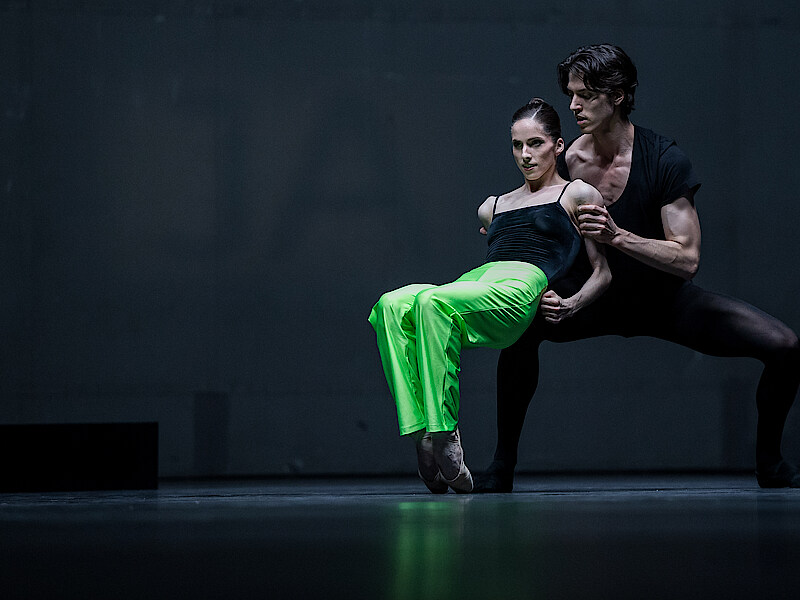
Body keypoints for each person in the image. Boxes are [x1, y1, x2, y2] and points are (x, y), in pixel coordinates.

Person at [476, 44, 800, 493]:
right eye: (571, 94)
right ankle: (501, 466)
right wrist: (508, 234)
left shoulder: (664, 160)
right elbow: (529, 215)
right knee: (521, 328)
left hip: (659, 301)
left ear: (620, 95)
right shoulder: (564, 160)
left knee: (785, 346)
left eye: (586, 95)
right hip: (588, 296)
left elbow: (686, 259)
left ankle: (771, 464)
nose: (573, 106)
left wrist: (617, 235)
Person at [369, 99, 611, 493]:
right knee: (392, 304)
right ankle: (423, 435)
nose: (525, 155)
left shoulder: (578, 194)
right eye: (517, 146)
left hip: (521, 288)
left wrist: (570, 305)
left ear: (559, 146)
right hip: (481, 282)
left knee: (433, 303)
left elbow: (602, 272)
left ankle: (445, 431)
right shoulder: (493, 206)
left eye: (535, 144)